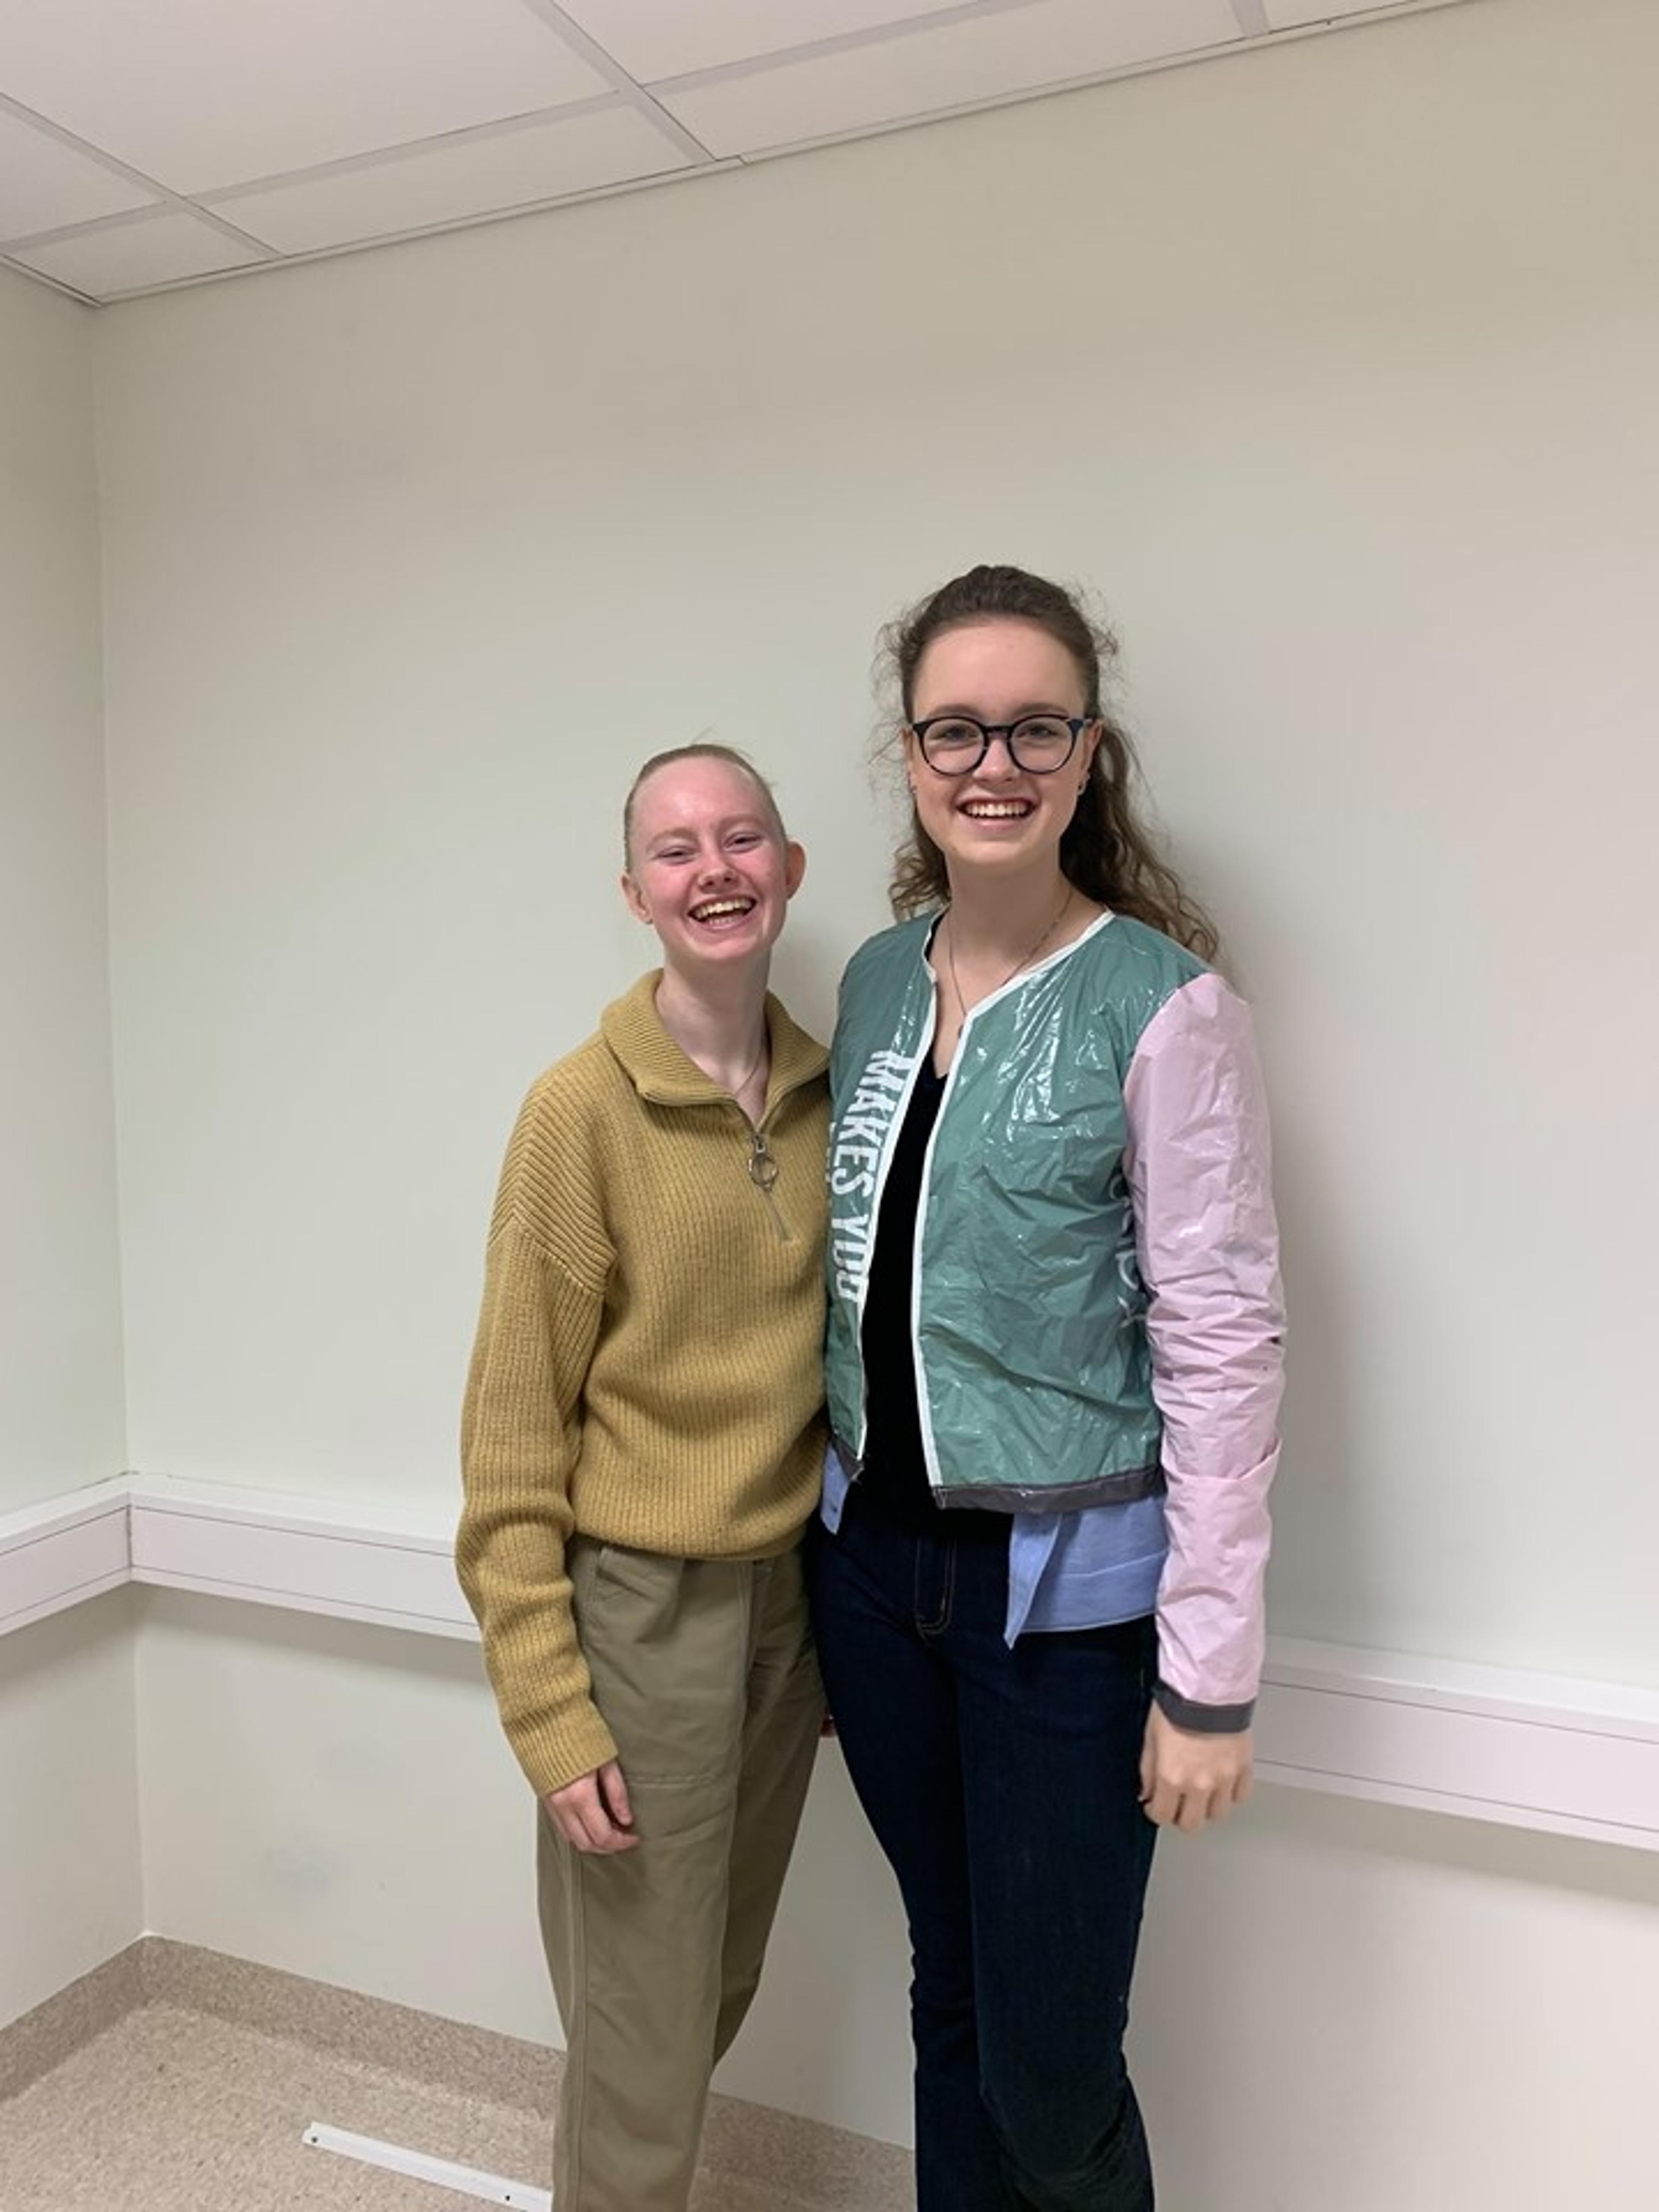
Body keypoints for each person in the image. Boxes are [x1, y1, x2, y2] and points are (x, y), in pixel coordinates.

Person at [810, 564, 1285, 2212]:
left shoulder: (1166, 1008)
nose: (992, 764)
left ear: (1090, 756)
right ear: (911, 753)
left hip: (1064, 1616)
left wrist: (1208, 1677)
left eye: (1034, 728)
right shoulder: (876, 984)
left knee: (1053, 2073)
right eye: (955, 729)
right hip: (871, 1584)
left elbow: (1222, 1342)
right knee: (950, 1993)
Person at [457, 744, 829, 2212]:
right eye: (677, 850)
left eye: (742, 839)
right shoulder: (579, 1114)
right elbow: (510, 1438)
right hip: (638, 1619)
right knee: (640, 2031)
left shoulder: (838, 1094)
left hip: (788, 1613)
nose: (714, 870)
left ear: (790, 868)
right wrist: (550, 1710)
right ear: (634, 894)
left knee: (711, 1987)